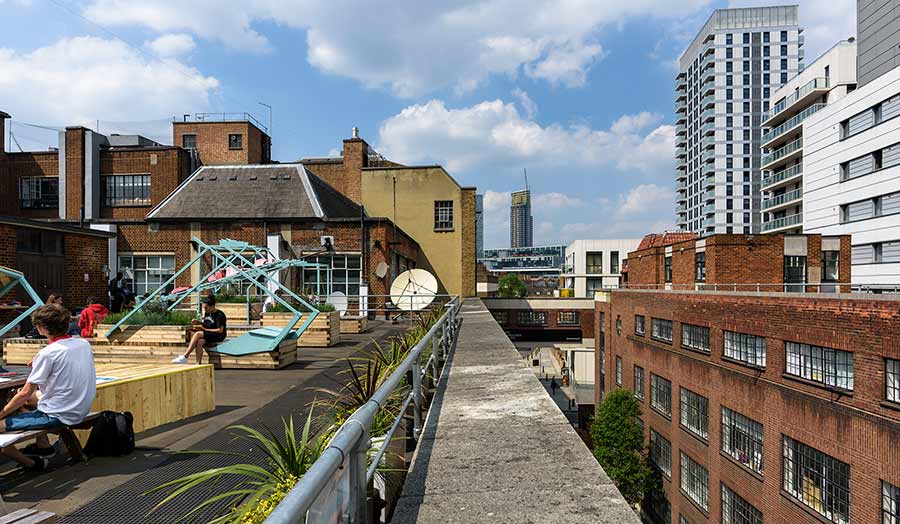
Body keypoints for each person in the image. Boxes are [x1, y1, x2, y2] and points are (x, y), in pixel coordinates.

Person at [0, 304, 96, 471]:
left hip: (60, 413)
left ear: (43, 328)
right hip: (81, 406)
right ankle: (43, 445)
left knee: (14, 403)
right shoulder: (83, 344)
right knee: (19, 400)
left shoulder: (48, 353)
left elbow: (24, 394)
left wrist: (1, 414)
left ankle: (32, 464)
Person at [172, 295, 227, 364]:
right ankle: (198, 363)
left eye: (206, 308)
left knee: (198, 334)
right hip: (209, 333)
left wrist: (204, 329)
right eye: (204, 308)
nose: (205, 310)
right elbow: (208, 323)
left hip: (219, 335)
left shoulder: (220, 315)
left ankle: (185, 356)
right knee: (199, 342)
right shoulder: (208, 313)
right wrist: (198, 322)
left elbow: (220, 330)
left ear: (212, 306)